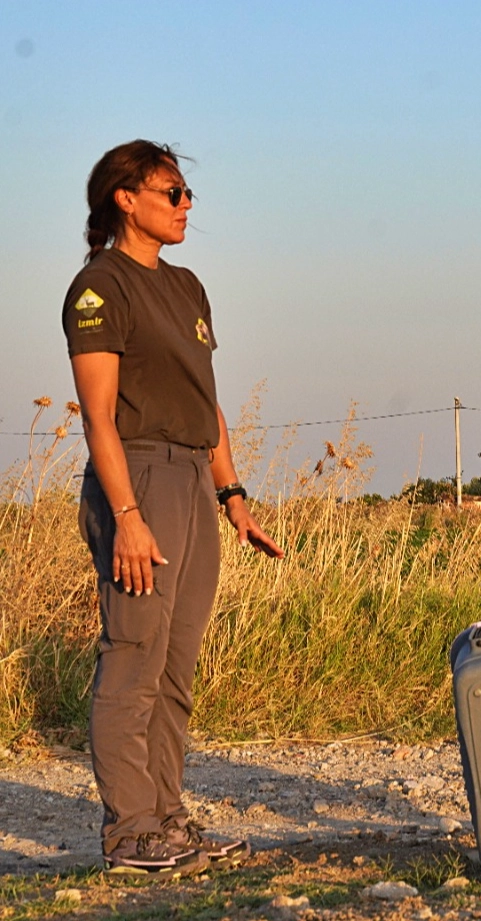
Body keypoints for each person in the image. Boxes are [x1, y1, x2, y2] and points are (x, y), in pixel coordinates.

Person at [62, 140, 285, 878]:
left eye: (188, 194)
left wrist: (233, 495)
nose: (188, 206)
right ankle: (130, 830)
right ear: (127, 198)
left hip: (192, 477)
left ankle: (167, 816)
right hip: (140, 472)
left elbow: (207, 400)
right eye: (174, 192)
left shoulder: (187, 286)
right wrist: (126, 513)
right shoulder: (101, 287)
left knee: (176, 661)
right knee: (134, 654)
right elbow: (98, 418)